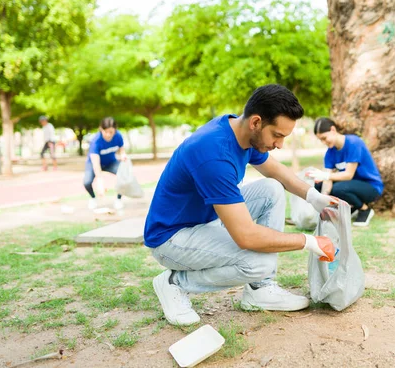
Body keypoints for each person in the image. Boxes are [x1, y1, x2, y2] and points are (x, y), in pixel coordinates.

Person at [144, 84, 337, 326]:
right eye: (277, 135)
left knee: (272, 188)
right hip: (171, 238)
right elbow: (247, 237)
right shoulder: (214, 154)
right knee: (260, 262)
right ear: (256, 122)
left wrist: (313, 197)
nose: (280, 144)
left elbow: (275, 170)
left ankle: (260, 290)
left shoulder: (239, 132)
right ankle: (174, 282)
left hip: (204, 222)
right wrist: (309, 241)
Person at [308, 117, 384, 227]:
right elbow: (327, 179)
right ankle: (349, 208)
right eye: (321, 140)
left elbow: (348, 175)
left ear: (333, 130)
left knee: (339, 188)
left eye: (324, 138)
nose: (323, 142)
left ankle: (364, 209)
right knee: (319, 184)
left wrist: (325, 175)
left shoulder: (354, 143)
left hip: (371, 187)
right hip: (351, 186)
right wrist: (324, 198)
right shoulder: (330, 153)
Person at [84, 117, 127, 210]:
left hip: (110, 162)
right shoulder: (96, 141)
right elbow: (95, 163)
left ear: (115, 130)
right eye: (106, 132)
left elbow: (121, 148)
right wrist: (100, 182)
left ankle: (119, 200)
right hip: (93, 163)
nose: (108, 135)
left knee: (124, 175)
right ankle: (93, 198)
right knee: (87, 182)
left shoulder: (118, 136)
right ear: (101, 129)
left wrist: (123, 155)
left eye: (111, 132)